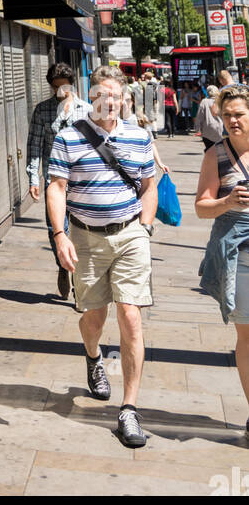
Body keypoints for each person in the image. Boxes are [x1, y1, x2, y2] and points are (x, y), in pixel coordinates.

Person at [47, 65, 158, 448]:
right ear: (90, 96)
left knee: (130, 315)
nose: (108, 102)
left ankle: (129, 409)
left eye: (115, 95)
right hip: (85, 238)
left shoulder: (140, 137)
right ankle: (94, 358)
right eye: (101, 95)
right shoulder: (68, 137)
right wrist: (60, 235)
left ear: (124, 98)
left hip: (129, 235)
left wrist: (144, 228)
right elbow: (57, 188)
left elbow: (147, 187)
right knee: (94, 317)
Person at [196, 85, 249, 443]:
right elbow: (201, 207)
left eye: (239, 114)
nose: (232, 120)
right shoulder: (216, 154)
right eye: (227, 115)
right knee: (247, 336)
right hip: (238, 255)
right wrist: (228, 201)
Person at [27, 62, 91, 301]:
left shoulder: (86, 110)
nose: (60, 91)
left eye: (64, 86)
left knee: (81, 230)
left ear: (71, 84)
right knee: (57, 228)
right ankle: (63, 265)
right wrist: (33, 177)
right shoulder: (42, 111)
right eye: (55, 87)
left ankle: (79, 280)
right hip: (54, 180)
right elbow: (34, 145)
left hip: (81, 181)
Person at [196, 86, 224, 152]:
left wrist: (198, 129)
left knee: (209, 149)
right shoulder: (221, 101)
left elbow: (200, 116)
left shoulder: (204, 101)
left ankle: (210, 160)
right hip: (220, 128)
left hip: (207, 129)